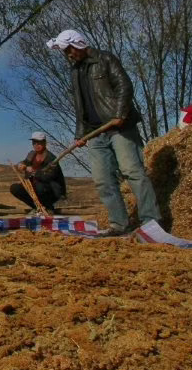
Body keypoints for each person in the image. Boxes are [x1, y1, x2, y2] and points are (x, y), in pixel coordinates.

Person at [46, 29, 162, 236]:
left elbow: (124, 86)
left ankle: (151, 222)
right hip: (95, 132)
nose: (68, 55)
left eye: (69, 50)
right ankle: (119, 224)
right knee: (102, 179)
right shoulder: (75, 71)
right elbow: (81, 106)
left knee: (133, 172)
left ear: (78, 44)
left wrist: (120, 113)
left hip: (119, 127)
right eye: (65, 52)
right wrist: (80, 134)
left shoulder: (105, 59)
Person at [8, 132, 66, 213]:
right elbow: (24, 163)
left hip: (50, 190)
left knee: (39, 186)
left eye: (39, 143)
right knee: (15, 188)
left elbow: (49, 177)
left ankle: (47, 206)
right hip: (34, 188)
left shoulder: (51, 158)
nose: (36, 145)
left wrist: (33, 172)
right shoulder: (31, 154)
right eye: (34, 143)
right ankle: (37, 207)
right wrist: (21, 165)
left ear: (44, 143)